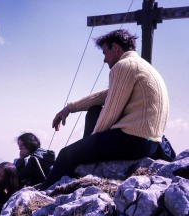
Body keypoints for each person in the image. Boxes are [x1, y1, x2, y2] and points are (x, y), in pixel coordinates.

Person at [40, 29, 169, 190]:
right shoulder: (141, 66)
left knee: (67, 154)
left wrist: (87, 148)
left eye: (104, 52)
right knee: (94, 111)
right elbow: (105, 95)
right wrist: (70, 108)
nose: (104, 60)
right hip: (150, 142)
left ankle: (44, 191)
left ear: (115, 48)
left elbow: (110, 111)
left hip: (134, 141)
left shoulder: (124, 66)